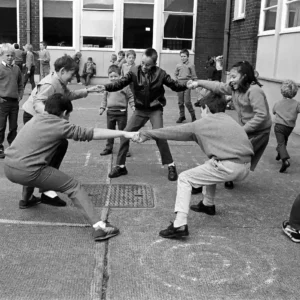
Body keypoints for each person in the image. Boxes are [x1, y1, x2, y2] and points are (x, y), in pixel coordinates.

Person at [4, 93, 137, 241]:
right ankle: (100, 227)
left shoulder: (36, 118)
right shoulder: (59, 124)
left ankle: (26, 200)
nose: (68, 119)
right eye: (68, 116)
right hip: (27, 171)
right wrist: (125, 133)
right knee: (74, 186)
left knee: (39, 158)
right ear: (65, 113)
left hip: (9, 166)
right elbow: (92, 132)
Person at [133, 92, 253, 238]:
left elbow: (174, 132)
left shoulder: (204, 123)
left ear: (207, 108)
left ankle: (179, 224)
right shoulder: (231, 120)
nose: (201, 113)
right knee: (209, 165)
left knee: (185, 178)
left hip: (229, 167)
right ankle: (208, 204)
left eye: (201, 109)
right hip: (246, 166)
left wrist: (147, 134)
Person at [97, 48, 188, 181]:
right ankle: (121, 166)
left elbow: (175, 85)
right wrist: (105, 87)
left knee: (160, 135)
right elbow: (120, 83)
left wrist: (188, 85)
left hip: (155, 109)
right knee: (125, 134)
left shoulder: (161, 74)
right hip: (140, 110)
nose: (144, 67)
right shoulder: (134, 71)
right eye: (142, 63)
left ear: (154, 64)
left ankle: (171, 165)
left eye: (148, 65)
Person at [22, 54, 101, 206]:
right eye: (72, 74)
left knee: (56, 147)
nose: (72, 78)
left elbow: (68, 95)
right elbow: (38, 102)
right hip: (35, 118)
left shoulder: (59, 81)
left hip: (41, 119)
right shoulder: (50, 84)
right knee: (43, 154)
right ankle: (42, 192)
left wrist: (88, 90)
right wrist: (52, 119)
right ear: (63, 70)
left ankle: (37, 194)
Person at [188, 61, 272, 190]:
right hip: (246, 129)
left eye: (233, 77)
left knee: (228, 155)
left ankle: (205, 182)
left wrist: (241, 130)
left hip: (258, 133)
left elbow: (261, 115)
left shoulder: (254, 91)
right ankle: (222, 179)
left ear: (244, 76)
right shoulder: (235, 88)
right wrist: (198, 83)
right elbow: (218, 86)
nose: (230, 80)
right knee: (227, 154)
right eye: (229, 76)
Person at [99, 65, 135, 156]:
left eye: (115, 76)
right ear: (108, 77)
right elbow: (104, 99)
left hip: (122, 113)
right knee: (110, 132)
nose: (113, 78)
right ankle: (108, 148)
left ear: (120, 76)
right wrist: (102, 108)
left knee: (123, 132)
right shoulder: (107, 87)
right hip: (110, 113)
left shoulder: (125, 87)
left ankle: (125, 149)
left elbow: (130, 97)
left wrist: (133, 106)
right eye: (111, 76)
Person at [0, 44, 24, 159]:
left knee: (13, 126)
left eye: (12, 55)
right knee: (1, 125)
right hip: (3, 102)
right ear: (2, 56)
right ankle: (0, 147)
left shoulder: (16, 68)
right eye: (7, 55)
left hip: (14, 102)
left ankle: (12, 146)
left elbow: (20, 83)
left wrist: (20, 95)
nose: (10, 57)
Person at [273, 80, 300, 173]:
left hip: (279, 126)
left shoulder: (278, 103)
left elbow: (273, 111)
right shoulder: (297, 103)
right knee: (284, 141)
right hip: (289, 127)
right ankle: (279, 154)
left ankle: (285, 161)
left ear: (282, 91)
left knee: (281, 143)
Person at [174, 49, 197, 123]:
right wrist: (177, 81)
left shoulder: (191, 65)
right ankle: (182, 116)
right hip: (180, 85)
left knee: (187, 102)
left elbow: (194, 76)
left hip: (187, 84)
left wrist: (194, 84)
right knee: (180, 102)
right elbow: (175, 74)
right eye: (181, 56)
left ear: (188, 57)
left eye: (184, 56)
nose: (183, 58)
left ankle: (193, 116)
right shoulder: (178, 65)